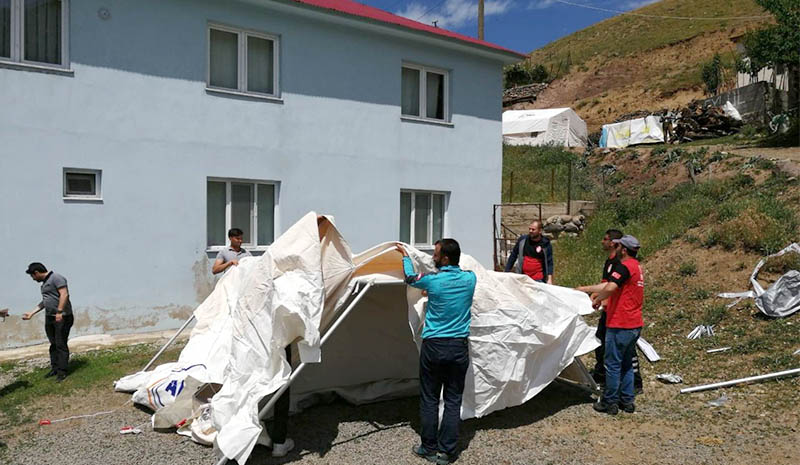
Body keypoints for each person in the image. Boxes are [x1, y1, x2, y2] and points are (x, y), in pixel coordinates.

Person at [396, 239, 476, 465]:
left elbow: (410, 278)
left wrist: (404, 256)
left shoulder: (433, 281)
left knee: (430, 398)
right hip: (458, 347)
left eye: (437, 254)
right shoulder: (470, 279)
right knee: (453, 399)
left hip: (434, 347)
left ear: (446, 258)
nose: (433, 257)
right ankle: (446, 452)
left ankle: (428, 447)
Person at [578, 236, 644, 415]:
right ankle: (627, 401)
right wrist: (586, 289)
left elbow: (611, 287)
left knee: (612, 364)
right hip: (634, 323)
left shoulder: (623, 267)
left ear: (623, 249)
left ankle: (610, 402)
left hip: (620, 322)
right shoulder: (637, 267)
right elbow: (610, 285)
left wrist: (598, 299)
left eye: (619, 245)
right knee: (626, 364)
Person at [22, 263, 74, 382]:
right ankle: (55, 368)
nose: (33, 279)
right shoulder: (45, 283)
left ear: (36, 272)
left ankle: (62, 372)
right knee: (53, 344)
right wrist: (31, 313)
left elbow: (64, 294)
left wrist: (60, 311)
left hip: (62, 317)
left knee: (60, 344)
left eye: (32, 276)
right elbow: (46, 301)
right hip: (50, 317)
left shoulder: (56, 278)